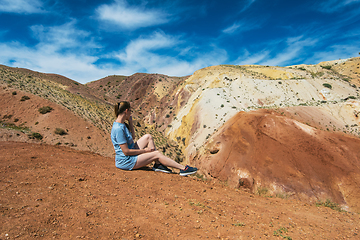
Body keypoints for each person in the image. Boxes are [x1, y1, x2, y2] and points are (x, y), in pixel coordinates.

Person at [111, 101, 198, 176]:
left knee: (148, 137)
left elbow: (133, 137)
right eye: (130, 111)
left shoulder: (122, 125)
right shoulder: (118, 128)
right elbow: (126, 152)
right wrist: (145, 150)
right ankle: (183, 168)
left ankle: (158, 164)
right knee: (156, 154)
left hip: (130, 154)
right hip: (126, 161)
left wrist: (130, 122)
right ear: (126, 111)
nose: (131, 113)